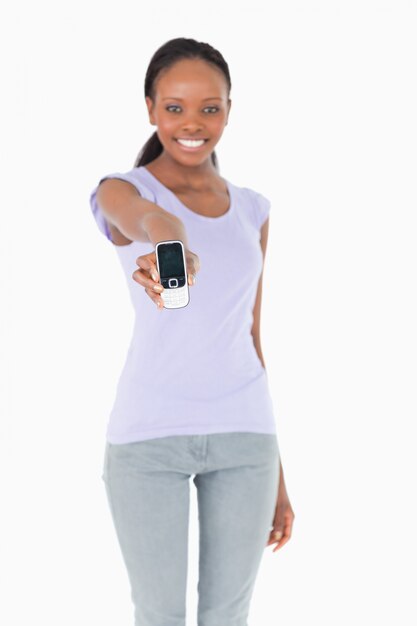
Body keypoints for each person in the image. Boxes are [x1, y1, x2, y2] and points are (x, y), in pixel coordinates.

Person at [89, 37, 295, 626]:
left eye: (210, 107)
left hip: (246, 440)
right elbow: (149, 222)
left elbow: (252, 340)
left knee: (228, 618)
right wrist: (170, 244)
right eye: (174, 107)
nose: (192, 123)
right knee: (159, 616)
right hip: (148, 440)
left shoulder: (253, 208)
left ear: (229, 110)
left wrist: (277, 472)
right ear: (151, 109)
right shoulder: (122, 190)